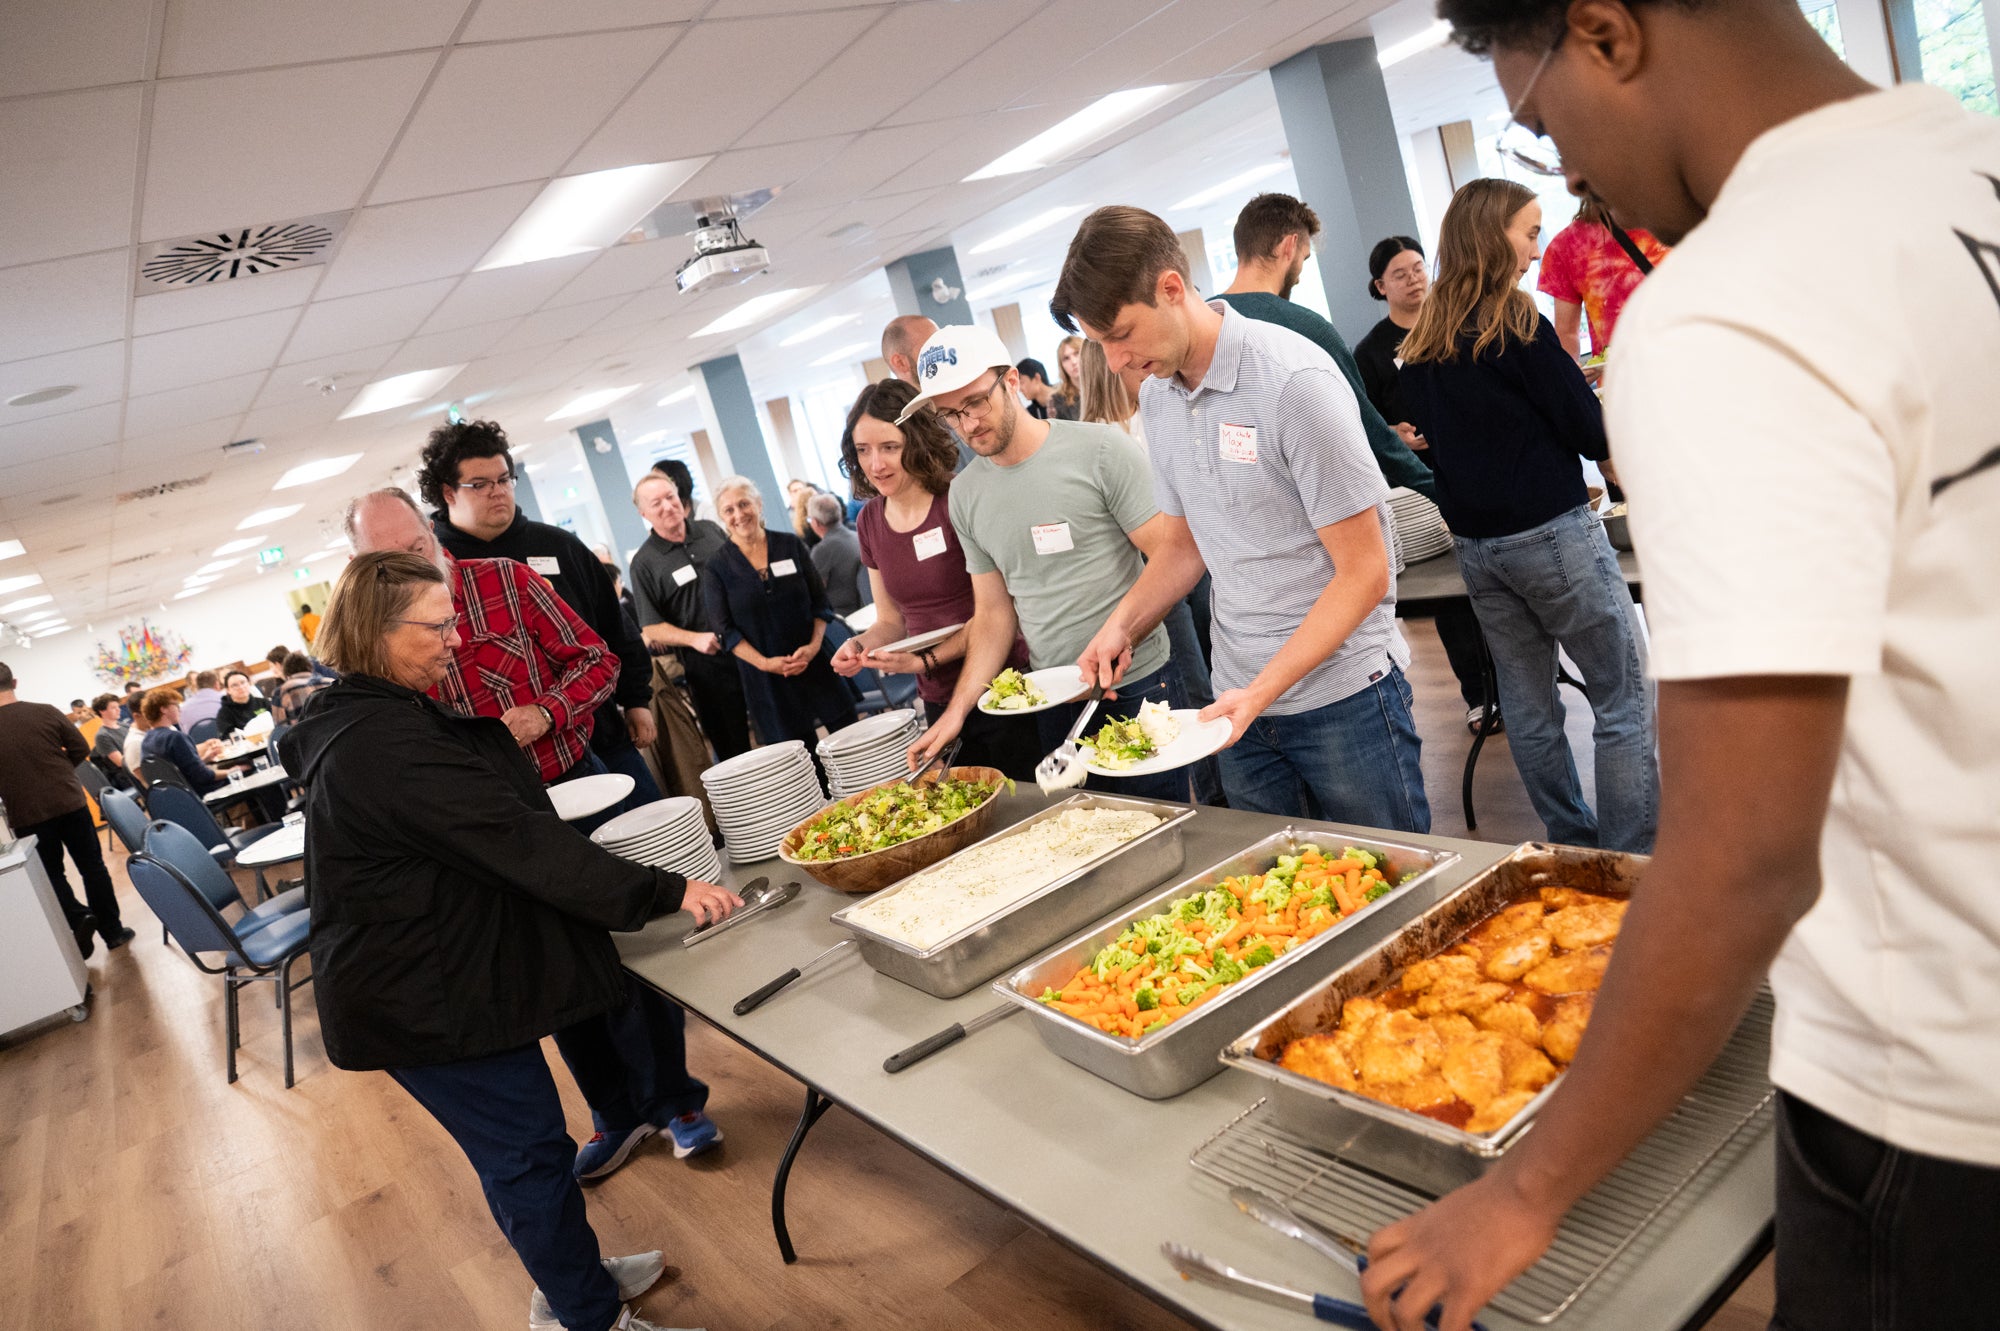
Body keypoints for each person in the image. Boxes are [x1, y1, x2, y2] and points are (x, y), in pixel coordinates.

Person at [1359, 5, 2000, 1330]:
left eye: (1542, 123)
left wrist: (1526, 1189)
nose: (1568, 174)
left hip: (1938, 1079)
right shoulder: (1966, 161)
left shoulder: (1730, 308)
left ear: (1607, 32)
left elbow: (1746, 850)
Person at [280, 550, 738, 1331]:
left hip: (438, 975)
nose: (457, 639)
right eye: (438, 625)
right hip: (418, 1000)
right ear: (376, 632)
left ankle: (572, 1282)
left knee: (531, 1148)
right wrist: (666, 888)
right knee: (525, 1153)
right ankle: (584, 1317)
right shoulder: (379, 744)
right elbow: (518, 841)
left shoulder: (370, 713)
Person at [346, 487, 725, 1181]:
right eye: (384, 559)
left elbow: (599, 662)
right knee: (554, 976)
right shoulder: (376, 648)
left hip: (579, 790)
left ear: (431, 532)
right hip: (490, 832)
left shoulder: (506, 582)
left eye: (415, 547)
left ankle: (676, 1101)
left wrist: (545, 713)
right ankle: (616, 1114)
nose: (408, 565)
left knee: (634, 953)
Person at [1053, 206, 1431, 831]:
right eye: (1100, 344)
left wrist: (1262, 691)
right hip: (1236, 709)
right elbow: (1182, 545)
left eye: (1120, 335)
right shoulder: (1160, 395)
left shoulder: (1292, 381)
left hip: (1344, 701)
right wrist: (1122, 624)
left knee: (1395, 892)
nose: (1114, 361)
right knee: (1281, 910)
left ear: (1171, 289)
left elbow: (1365, 572)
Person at [1398, 178, 1657, 854]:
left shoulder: (1423, 340)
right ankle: (1629, 857)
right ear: (1492, 235)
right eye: (1529, 231)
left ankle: (1571, 844)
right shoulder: (1515, 322)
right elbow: (1587, 428)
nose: (1537, 249)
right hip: (1554, 538)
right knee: (1621, 700)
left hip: (1479, 550)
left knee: (1530, 710)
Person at [899, 324, 1190, 804]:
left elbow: (1173, 558)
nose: (968, 424)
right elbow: (993, 615)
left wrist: (1124, 633)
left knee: (1162, 825)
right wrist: (955, 714)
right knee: (1086, 842)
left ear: (1011, 381)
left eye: (975, 402)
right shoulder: (966, 495)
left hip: (1138, 685)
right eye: (950, 414)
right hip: (1053, 697)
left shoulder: (1099, 451)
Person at [418, 419, 663, 814]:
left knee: (655, 837)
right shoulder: (436, 572)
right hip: (519, 773)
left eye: (504, 479)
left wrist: (636, 698)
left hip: (601, 733)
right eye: (479, 484)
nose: (498, 491)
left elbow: (613, 625)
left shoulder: (559, 545)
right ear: (448, 492)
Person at [828, 379, 1041, 782]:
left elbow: (996, 612)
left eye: (889, 447)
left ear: (917, 440)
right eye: (863, 450)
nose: (876, 464)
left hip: (1004, 684)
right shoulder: (870, 521)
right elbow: (892, 621)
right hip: (939, 697)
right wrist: (858, 647)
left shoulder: (959, 498)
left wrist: (922, 659)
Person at [1218, 194, 1437, 501]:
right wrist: (1439, 489)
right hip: (1313, 505)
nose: (1300, 273)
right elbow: (1368, 429)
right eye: (1304, 259)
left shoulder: (1205, 324)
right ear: (1289, 247)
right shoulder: (1307, 329)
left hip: (1234, 510)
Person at [702, 475, 857, 748]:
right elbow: (725, 631)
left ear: (759, 504)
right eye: (729, 510)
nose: (739, 514)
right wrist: (765, 663)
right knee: (800, 760)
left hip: (815, 660)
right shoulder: (716, 567)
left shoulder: (790, 545)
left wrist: (812, 646)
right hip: (766, 679)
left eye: (744, 504)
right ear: (721, 517)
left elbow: (821, 603)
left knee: (852, 742)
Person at [0, 663, 132, 956]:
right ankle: (113, 933)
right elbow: (79, 748)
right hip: (69, 801)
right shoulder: (45, 710)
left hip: (26, 812)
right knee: (92, 867)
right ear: (15, 681)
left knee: (51, 874)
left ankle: (77, 916)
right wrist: (60, 773)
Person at [629, 473, 752, 764]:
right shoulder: (644, 563)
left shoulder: (710, 530)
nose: (667, 506)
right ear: (643, 513)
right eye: (656, 503)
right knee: (733, 747)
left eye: (670, 497)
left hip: (749, 646)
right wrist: (694, 639)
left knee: (777, 727)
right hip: (706, 664)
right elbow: (651, 626)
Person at [1537, 193, 1670, 364]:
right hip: (1622, 380)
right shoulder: (1566, 246)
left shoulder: (1674, 221)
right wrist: (1573, 380)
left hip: (1693, 363)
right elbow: (1567, 333)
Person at [1355, 236, 1431, 445]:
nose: (1413, 279)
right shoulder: (1369, 352)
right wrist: (1392, 433)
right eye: (1400, 275)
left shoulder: (1455, 327)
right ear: (1381, 286)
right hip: (1418, 467)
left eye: (1418, 269)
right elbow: (1365, 420)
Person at [138, 688, 230, 794]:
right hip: (201, 792)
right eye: (176, 705)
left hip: (178, 796)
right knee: (246, 771)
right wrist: (233, 771)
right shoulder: (175, 738)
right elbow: (203, 776)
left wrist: (205, 758)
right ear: (164, 709)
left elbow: (179, 772)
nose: (179, 709)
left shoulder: (146, 741)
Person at [805, 493, 871, 617]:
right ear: (839, 514)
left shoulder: (822, 550)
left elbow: (813, 592)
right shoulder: (857, 536)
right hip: (865, 610)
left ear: (815, 522)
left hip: (842, 617)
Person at [87, 693, 138, 791]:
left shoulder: (124, 726)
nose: (118, 710)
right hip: (128, 777)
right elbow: (121, 762)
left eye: (118, 706)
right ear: (102, 711)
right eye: (113, 708)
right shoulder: (102, 736)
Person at [212, 668, 273, 737]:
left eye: (243, 682)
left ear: (249, 684)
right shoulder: (224, 713)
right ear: (228, 690)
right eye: (234, 685)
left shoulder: (264, 702)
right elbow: (227, 737)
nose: (241, 687)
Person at [273, 652, 328, 723]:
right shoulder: (329, 682)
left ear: (286, 672)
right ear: (310, 667)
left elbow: (280, 725)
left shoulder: (281, 691)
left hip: (305, 732)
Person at [1052, 335, 1085, 420]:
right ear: (1062, 366)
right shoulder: (1059, 399)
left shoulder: (1104, 385)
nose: (1073, 362)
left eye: (1076, 353)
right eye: (1066, 358)